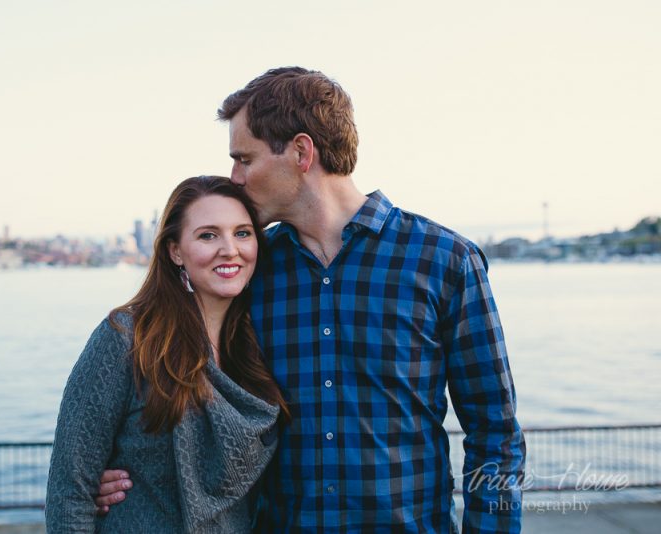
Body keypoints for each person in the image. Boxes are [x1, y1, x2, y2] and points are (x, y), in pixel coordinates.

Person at [98, 68, 526, 533]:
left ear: (301, 152)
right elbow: (189, 383)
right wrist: (125, 473)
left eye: (244, 159)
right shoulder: (247, 270)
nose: (234, 178)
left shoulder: (445, 261)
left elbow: (495, 434)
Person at [46, 175, 289, 533]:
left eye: (242, 233)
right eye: (208, 235)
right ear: (175, 250)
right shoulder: (127, 338)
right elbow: (70, 493)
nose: (229, 249)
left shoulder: (260, 343)